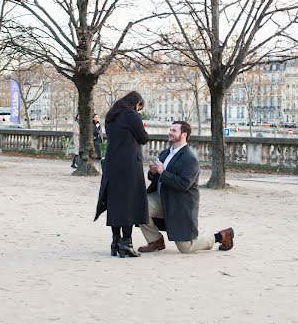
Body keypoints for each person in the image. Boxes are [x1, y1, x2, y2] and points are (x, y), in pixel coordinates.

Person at [138, 120, 234, 254]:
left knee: (185, 248)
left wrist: (162, 172)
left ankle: (221, 236)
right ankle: (155, 240)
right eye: (170, 129)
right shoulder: (165, 153)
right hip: (162, 198)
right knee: (139, 205)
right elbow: (155, 178)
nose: (170, 133)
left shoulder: (190, 159)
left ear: (183, 135)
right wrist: (153, 172)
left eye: (174, 130)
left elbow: (183, 184)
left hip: (180, 205)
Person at [94, 91, 149, 258]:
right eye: (140, 107)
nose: (139, 111)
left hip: (112, 163)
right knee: (129, 202)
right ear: (136, 103)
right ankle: (127, 242)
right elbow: (143, 138)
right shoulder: (131, 115)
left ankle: (115, 241)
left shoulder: (111, 115)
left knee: (115, 202)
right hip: (129, 164)